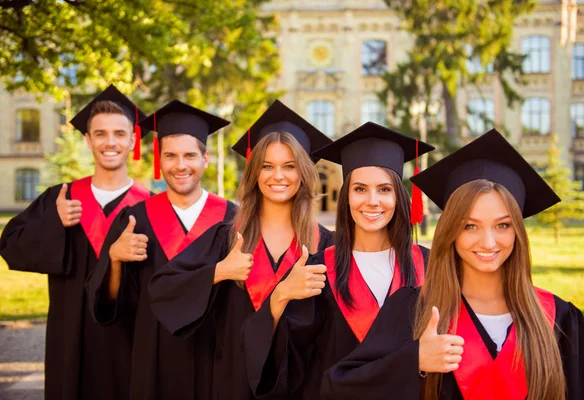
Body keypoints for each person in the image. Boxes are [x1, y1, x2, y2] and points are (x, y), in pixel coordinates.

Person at [321, 129, 584, 400]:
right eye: (470, 226)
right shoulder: (411, 310)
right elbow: (339, 386)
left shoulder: (559, 319)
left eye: (503, 225)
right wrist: (413, 360)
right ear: (451, 231)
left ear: (518, 231)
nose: (488, 242)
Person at [147, 99, 334, 399]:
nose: (278, 176)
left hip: (301, 387)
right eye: (267, 166)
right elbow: (163, 289)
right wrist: (218, 271)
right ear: (254, 172)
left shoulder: (325, 246)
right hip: (231, 383)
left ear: (304, 173)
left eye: (289, 166)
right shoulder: (226, 239)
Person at [242, 122, 435, 399]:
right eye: (359, 189)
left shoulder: (427, 266)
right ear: (346, 197)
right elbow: (285, 361)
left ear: (399, 196)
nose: (372, 201)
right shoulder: (317, 270)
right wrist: (280, 296)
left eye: (384, 189)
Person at [0, 85, 151, 400]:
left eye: (119, 134)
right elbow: (11, 246)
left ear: (133, 140)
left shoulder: (150, 207)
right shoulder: (62, 198)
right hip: (70, 342)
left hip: (130, 341)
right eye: (100, 134)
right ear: (88, 139)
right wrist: (52, 223)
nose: (110, 142)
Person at [85, 100, 235, 400]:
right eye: (171, 156)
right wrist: (114, 259)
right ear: (160, 160)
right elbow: (110, 305)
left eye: (190, 155)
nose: (180, 165)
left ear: (205, 158)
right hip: (153, 356)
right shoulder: (134, 220)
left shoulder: (233, 218)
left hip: (215, 354)